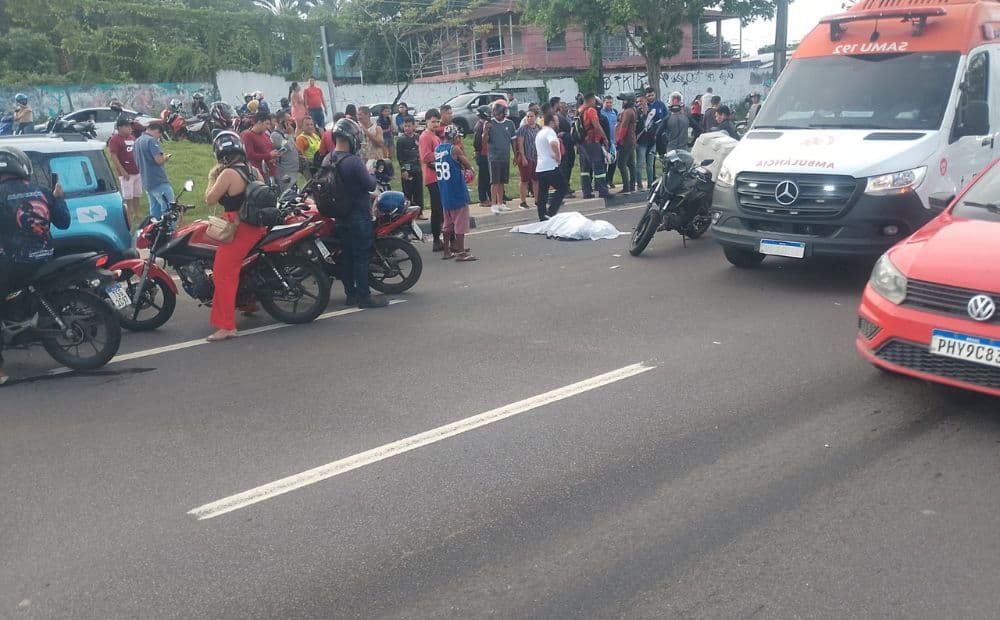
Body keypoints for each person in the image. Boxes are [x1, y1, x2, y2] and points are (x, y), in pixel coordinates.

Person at [0, 146, 70, 385]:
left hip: (17, 262)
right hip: (47, 255)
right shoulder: (41, 191)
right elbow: (64, 222)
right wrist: (60, 198)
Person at [202, 132, 269, 342]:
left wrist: (212, 177)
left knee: (223, 274)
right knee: (237, 269)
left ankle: (227, 326)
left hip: (237, 229)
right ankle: (248, 302)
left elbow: (209, 199)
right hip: (256, 226)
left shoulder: (228, 174)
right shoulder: (254, 171)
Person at [321, 118, 387, 308]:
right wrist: (371, 172)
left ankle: (351, 294)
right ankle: (364, 297)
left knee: (347, 256)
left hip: (340, 216)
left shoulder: (328, 158)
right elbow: (370, 184)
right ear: (352, 138)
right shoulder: (353, 162)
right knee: (361, 257)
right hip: (358, 215)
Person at [436, 125, 477, 261]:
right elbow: (467, 164)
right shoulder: (454, 149)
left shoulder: (438, 149)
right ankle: (461, 253)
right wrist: (470, 171)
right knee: (460, 223)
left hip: (444, 191)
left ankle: (447, 251)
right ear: (455, 137)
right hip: (456, 190)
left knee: (447, 223)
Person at [133, 121, 174, 219]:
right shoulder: (151, 141)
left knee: (155, 211)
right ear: (156, 131)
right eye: (159, 135)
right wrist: (166, 157)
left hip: (146, 181)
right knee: (169, 209)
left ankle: (153, 231)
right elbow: (159, 160)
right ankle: (169, 232)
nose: (158, 138)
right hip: (158, 180)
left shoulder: (137, 141)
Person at [483, 99, 516, 214]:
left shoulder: (509, 124)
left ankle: (501, 203)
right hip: (494, 157)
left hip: (505, 156)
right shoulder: (489, 123)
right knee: (495, 182)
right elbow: (484, 141)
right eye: (496, 113)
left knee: (502, 181)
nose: (498, 116)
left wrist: (516, 155)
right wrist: (486, 130)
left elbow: (513, 141)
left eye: (501, 113)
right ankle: (493, 204)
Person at [534, 112, 568, 222]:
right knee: (563, 188)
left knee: (542, 193)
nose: (558, 122)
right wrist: (558, 156)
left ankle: (542, 215)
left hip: (540, 167)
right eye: (556, 120)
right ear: (552, 122)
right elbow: (553, 143)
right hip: (550, 166)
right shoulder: (550, 132)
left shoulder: (540, 133)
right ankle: (551, 212)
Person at [108, 118, 142, 224]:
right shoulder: (115, 139)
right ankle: (129, 213)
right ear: (120, 128)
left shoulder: (132, 138)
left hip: (136, 170)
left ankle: (137, 212)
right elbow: (113, 155)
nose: (129, 129)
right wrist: (122, 170)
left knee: (137, 193)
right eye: (127, 127)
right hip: (126, 172)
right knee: (128, 195)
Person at [419, 109, 445, 251]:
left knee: (440, 208)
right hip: (432, 177)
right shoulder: (425, 137)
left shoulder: (435, 136)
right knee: (437, 209)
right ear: (427, 121)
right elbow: (425, 157)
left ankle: (441, 238)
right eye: (433, 121)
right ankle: (436, 239)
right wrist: (441, 154)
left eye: (437, 121)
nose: (435, 124)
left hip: (439, 175)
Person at [577, 93, 610, 199]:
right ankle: (603, 191)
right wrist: (605, 138)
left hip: (582, 143)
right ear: (591, 100)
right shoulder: (591, 110)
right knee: (599, 166)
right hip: (592, 141)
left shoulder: (579, 110)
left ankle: (586, 192)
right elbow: (596, 125)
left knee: (585, 169)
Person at [637, 86, 667, 191]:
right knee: (641, 163)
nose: (650, 97)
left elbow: (665, 118)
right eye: (648, 96)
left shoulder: (660, 105)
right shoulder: (641, 107)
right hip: (643, 140)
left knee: (653, 162)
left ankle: (652, 183)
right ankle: (640, 183)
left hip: (656, 138)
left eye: (652, 95)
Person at [395, 115, 425, 219]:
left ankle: (420, 212)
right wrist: (403, 169)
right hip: (407, 169)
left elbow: (421, 153)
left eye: (409, 126)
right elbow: (399, 157)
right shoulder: (401, 140)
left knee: (418, 191)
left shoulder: (418, 137)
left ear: (414, 126)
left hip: (417, 168)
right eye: (405, 126)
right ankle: (408, 214)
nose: (407, 128)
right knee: (407, 192)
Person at [240, 111, 279, 180]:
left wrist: (273, 157)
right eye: (266, 124)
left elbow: (269, 149)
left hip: (271, 170)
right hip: (260, 173)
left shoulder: (265, 134)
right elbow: (250, 155)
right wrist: (269, 156)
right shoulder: (247, 135)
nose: (267, 127)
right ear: (259, 122)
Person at [515, 108, 539, 210]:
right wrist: (523, 156)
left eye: (531, 116)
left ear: (536, 117)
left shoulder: (539, 128)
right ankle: (523, 201)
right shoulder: (523, 129)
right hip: (526, 156)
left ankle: (537, 200)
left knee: (536, 179)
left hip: (536, 157)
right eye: (528, 116)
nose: (529, 118)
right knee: (524, 180)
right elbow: (520, 144)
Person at [551, 97, 576, 195]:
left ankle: (567, 186)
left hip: (570, 145)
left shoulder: (568, 118)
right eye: (563, 106)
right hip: (563, 146)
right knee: (564, 167)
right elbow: (557, 132)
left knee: (570, 165)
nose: (565, 108)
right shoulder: (557, 118)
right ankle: (563, 189)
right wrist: (562, 134)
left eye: (566, 106)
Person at [271, 111, 300, 191]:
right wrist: (290, 134)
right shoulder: (275, 135)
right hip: (285, 171)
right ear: (282, 122)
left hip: (294, 169)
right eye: (288, 121)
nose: (291, 123)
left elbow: (294, 146)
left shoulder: (286, 134)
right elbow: (288, 146)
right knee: (288, 193)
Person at [616, 94, 637, 194]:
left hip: (626, 141)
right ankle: (632, 185)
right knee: (631, 164)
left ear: (629, 101)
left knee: (621, 164)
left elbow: (623, 127)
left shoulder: (628, 112)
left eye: (624, 100)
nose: (622, 102)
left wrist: (619, 140)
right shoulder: (631, 111)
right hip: (630, 141)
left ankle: (626, 187)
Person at [471, 105, 492, 207]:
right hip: (482, 154)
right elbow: (477, 143)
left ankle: (490, 197)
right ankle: (483, 199)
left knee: (487, 177)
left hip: (484, 154)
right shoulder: (480, 126)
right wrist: (478, 151)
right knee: (483, 178)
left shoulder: (482, 124)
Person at [294, 116, 322, 180]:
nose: (310, 126)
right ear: (302, 127)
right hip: (311, 169)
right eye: (307, 125)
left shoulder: (315, 135)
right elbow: (301, 158)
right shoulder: (301, 139)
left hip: (319, 166)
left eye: (311, 124)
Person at [600, 96, 619, 188]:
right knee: (603, 162)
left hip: (614, 141)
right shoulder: (600, 112)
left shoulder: (614, 112)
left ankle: (609, 180)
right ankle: (602, 182)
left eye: (611, 102)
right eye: (607, 102)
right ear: (603, 102)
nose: (609, 104)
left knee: (613, 162)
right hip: (604, 141)